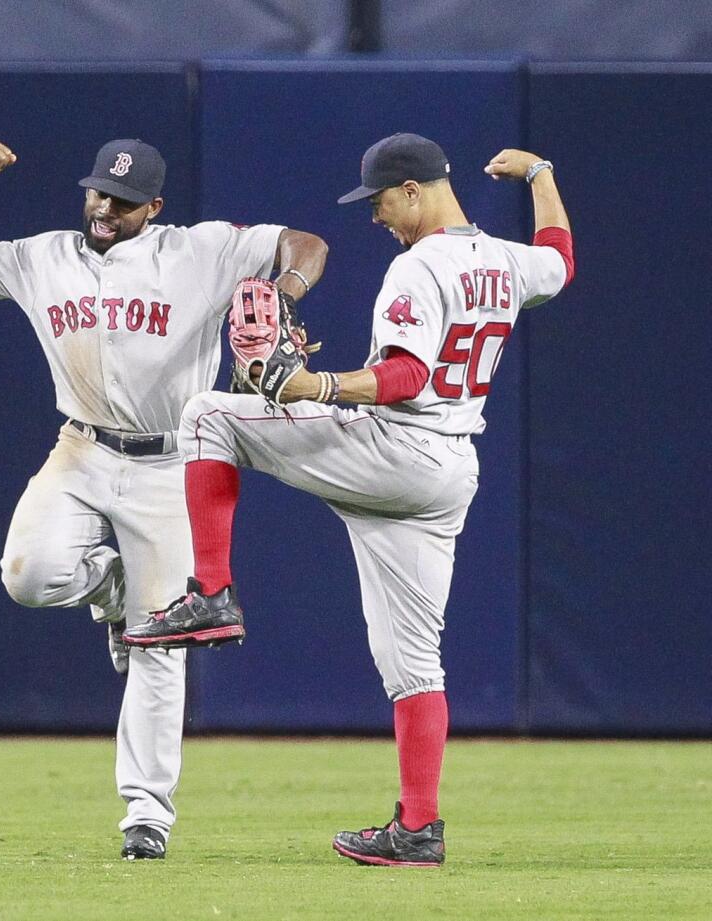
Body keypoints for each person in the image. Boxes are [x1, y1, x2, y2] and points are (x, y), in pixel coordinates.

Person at [124, 133, 574, 867]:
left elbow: (400, 377)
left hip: (396, 446)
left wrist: (312, 383)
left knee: (209, 417)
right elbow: (562, 257)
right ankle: (418, 828)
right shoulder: (506, 260)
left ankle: (210, 591)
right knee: (415, 666)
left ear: (412, 190)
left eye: (379, 202)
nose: (376, 218)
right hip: (449, 473)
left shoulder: (416, 265)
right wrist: (542, 175)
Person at [0, 137, 328, 859]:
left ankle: (147, 814)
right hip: (80, 448)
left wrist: (284, 290)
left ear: (155, 207)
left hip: (170, 462)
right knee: (27, 575)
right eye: (96, 193)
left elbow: (306, 241)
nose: (103, 207)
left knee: (161, 643)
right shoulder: (44, 254)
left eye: (121, 199)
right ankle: (107, 587)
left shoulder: (201, 250)